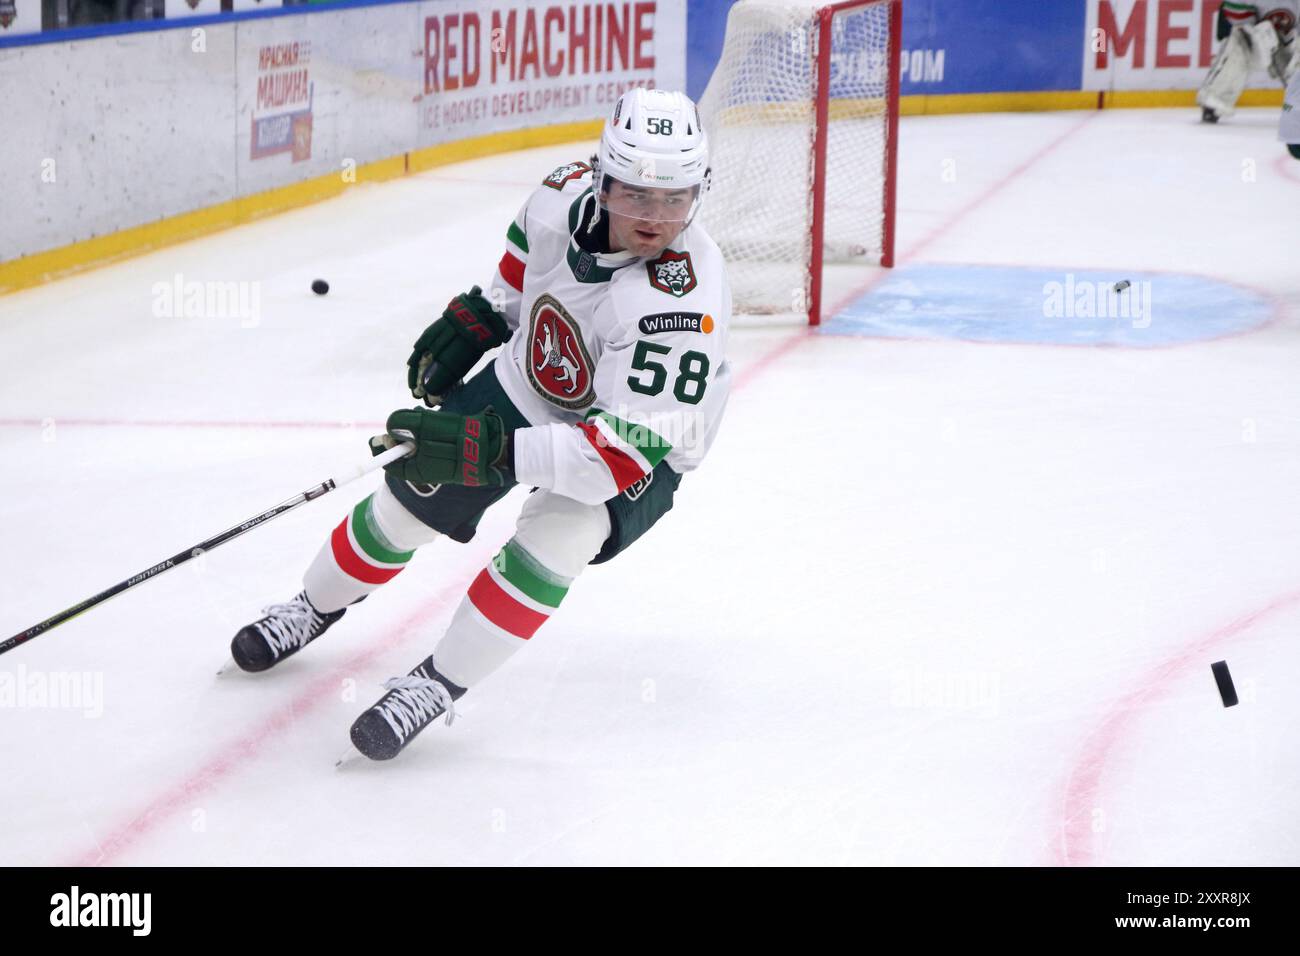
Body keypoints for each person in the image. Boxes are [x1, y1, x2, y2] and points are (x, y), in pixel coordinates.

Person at [229, 88, 732, 761]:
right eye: (637, 194)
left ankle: (435, 685)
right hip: (535, 382)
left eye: (676, 199)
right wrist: (477, 323)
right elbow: (515, 282)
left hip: (640, 446)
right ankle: (311, 606)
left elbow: (608, 461)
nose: (657, 218)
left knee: (559, 538)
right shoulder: (560, 195)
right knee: (408, 503)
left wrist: (484, 449)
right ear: (601, 177)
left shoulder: (681, 303)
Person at [1197, 2, 1298, 123]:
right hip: (1251, 30)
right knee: (1238, 44)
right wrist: (1260, 37)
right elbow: (1236, 21)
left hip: (1289, 35)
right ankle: (1215, 99)